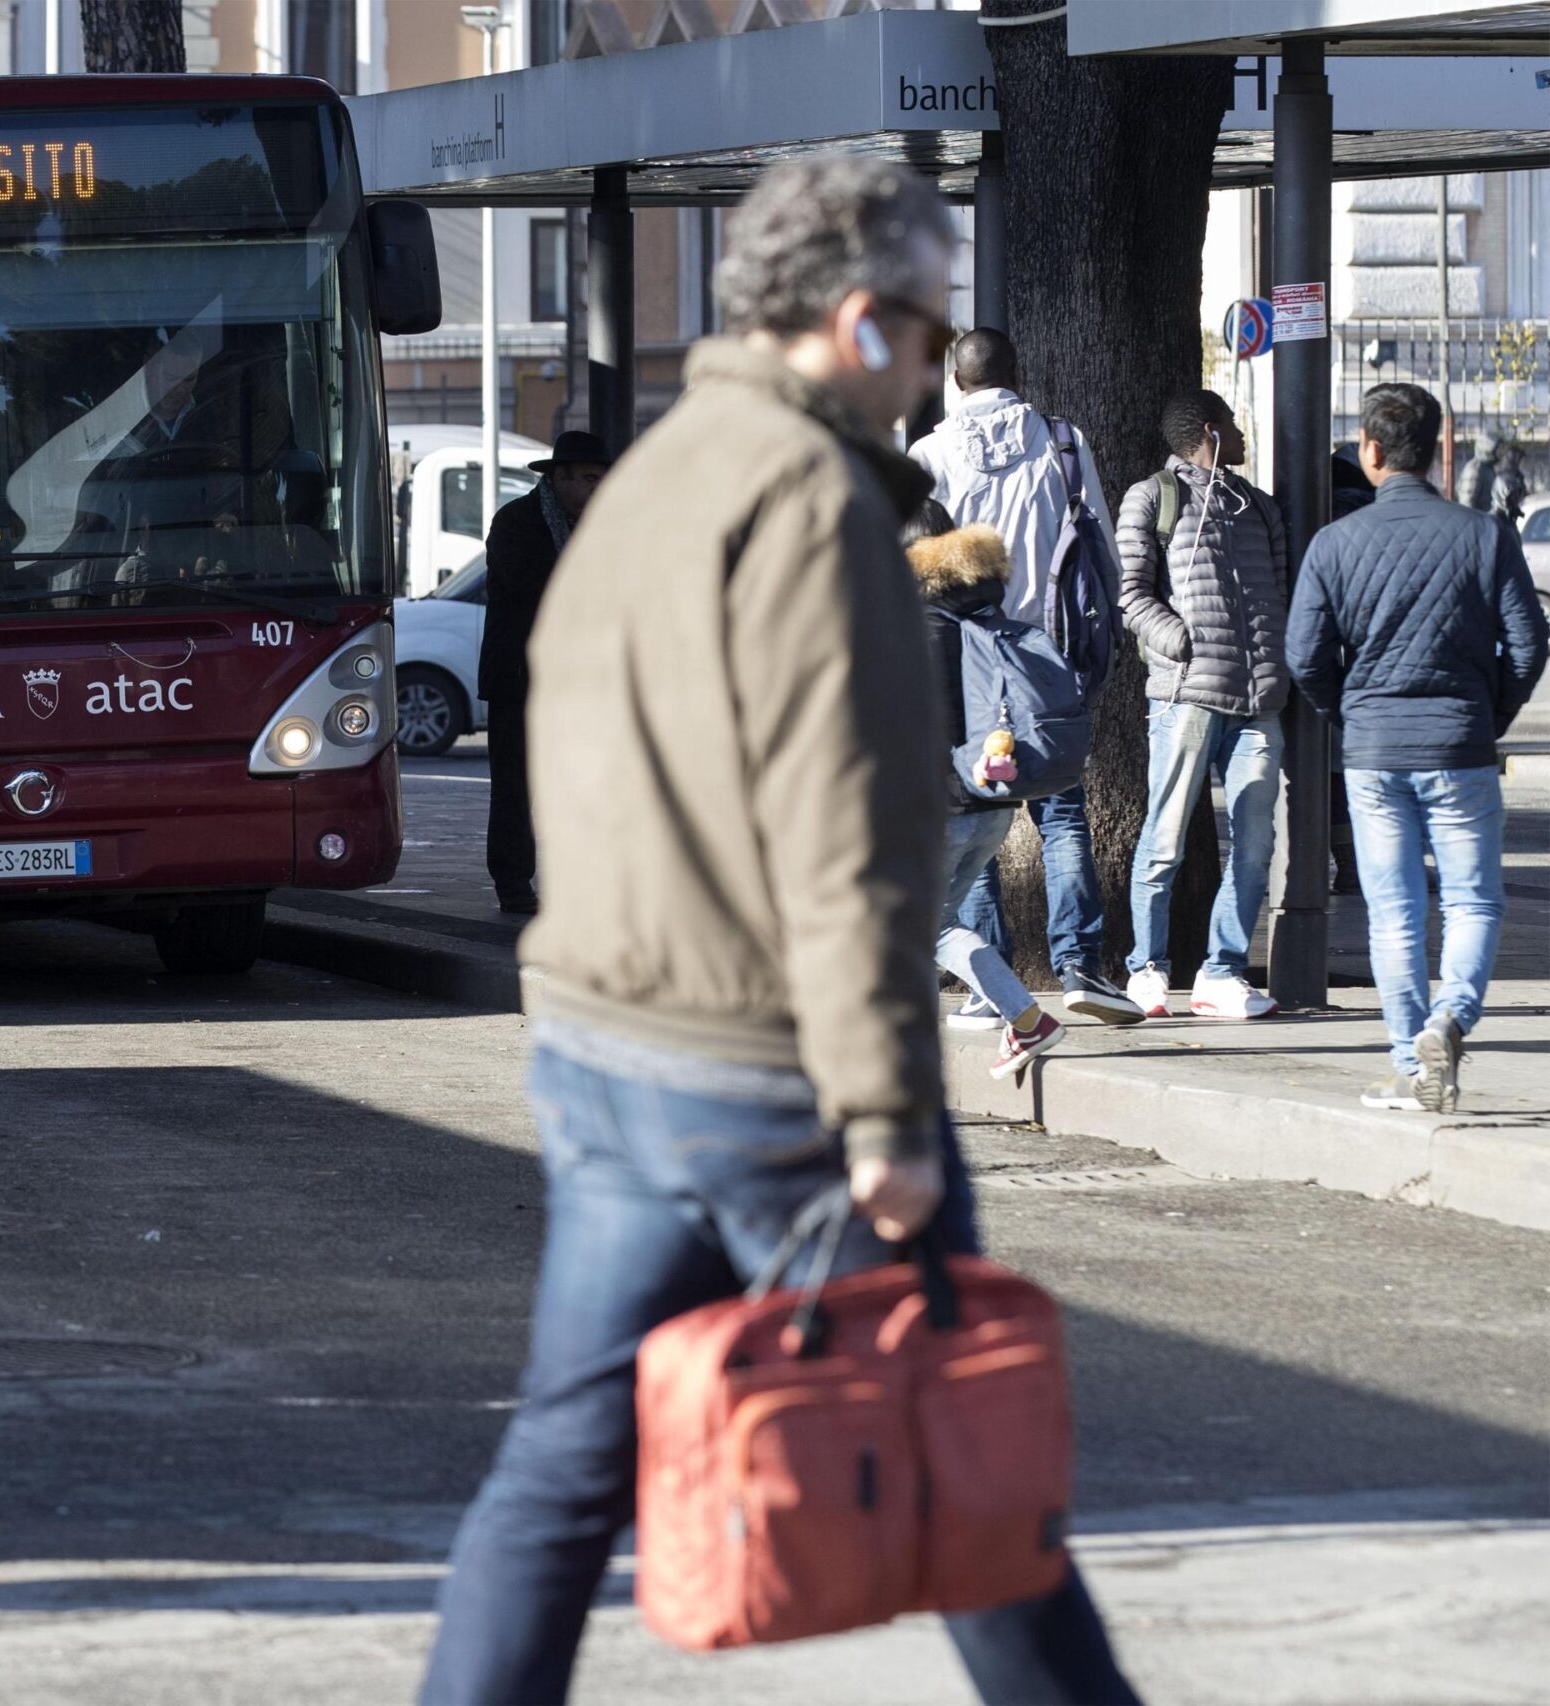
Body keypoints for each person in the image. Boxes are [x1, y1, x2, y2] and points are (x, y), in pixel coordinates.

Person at [420, 156, 1137, 1706]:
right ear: (864, 321)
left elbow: (576, 763)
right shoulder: (819, 506)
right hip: (770, 1074)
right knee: (970, 1464)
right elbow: (852, 844)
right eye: (934, 330)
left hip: (610, 1044)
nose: (939, 367)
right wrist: (885, 1114)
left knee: (556, 1474)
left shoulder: (658, 478)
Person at [1288, 382, 1548, 1112]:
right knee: (1473, 901)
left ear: (1369, 451)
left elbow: (1304, 655)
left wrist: (1350, 712)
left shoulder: (1334, 544)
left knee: (1393, 911)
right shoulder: (1482, 536)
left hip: (1373, 753)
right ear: (1436, 450)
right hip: (1460, 744)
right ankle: (1450, 1019)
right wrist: (1486, 713)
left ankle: (1412, 1064)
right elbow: (1529, 646)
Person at [909, 330, 1138, 1028]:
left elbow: (913, 550)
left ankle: (990, 979)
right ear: (1021, 372)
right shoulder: (1062, 442)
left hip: (963, 651)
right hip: (1047, 654)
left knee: (972, 803)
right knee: (1062, 810)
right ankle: (1080, 966)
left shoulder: (930, 452)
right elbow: (1097, 538)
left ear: (955, 379)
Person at [1113, 390, 1289, 1021]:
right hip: (1185, 697)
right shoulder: (1152, 496)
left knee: (1255, 843)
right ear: (1211, 431)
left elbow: (1283, 589)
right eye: (1235, 427)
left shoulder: (1258, 507)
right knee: (1164, 838)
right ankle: (1147, 970)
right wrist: (1181, 645)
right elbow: (1130, 594)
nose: (1243, 437)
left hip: (1258, 698)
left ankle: (1223, 972)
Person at [904, 502, 1069, 1078]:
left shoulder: (908, 623)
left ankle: (1024, 1020)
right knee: (937, 922)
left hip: (935, 806)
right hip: (991, 801)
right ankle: (1021, 1023)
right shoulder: (982, 607)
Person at [478, 430, 612, 914]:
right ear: (560, 478)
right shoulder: (517, 522)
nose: (599, 488)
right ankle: (512, 885)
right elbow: (532, 588)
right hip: (521, 676)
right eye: (591, 479)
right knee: (516, 787)